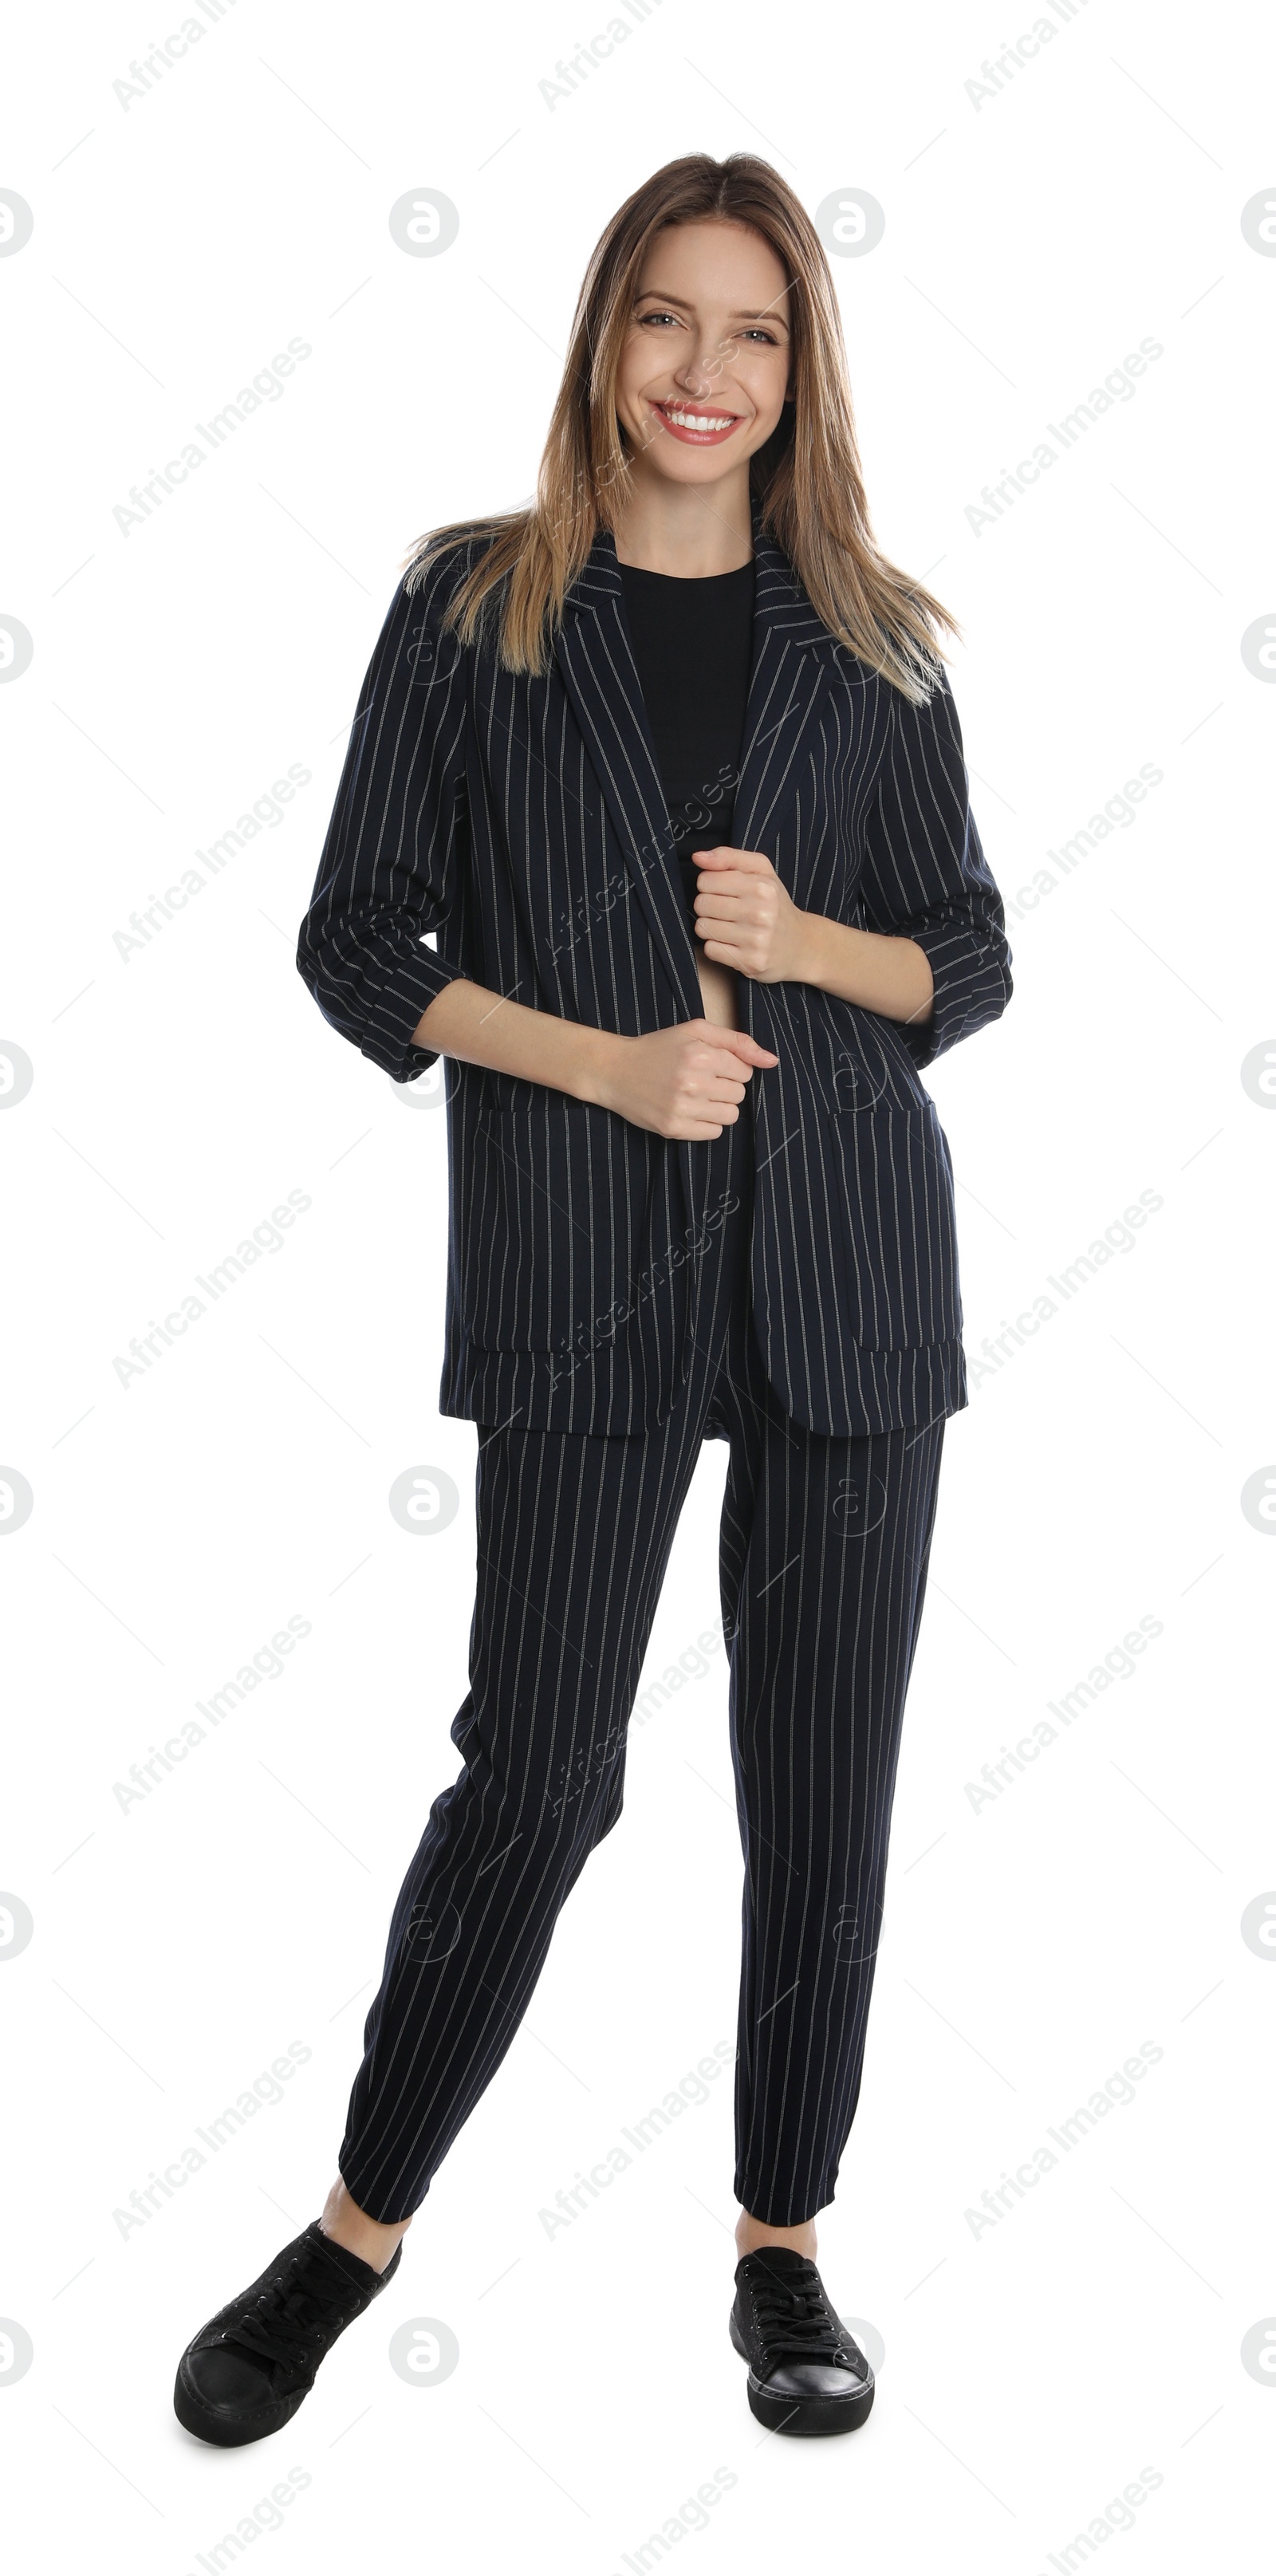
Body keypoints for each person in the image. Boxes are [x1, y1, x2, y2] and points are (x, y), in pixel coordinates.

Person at [173, 150, 1012, 2449]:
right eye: (667, 319)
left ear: (801, 367)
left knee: (821, 1795)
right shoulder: (477, 606)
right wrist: (612, 1061)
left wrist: (803, 946)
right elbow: (364, 940)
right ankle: (353, 2229)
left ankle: (783, 2249)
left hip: (851, 1272)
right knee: (538, 1775)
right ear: (600, 336)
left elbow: (970, 953)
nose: (704, 374)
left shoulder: (876, 638)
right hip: (579, 1273)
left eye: (754, 331)